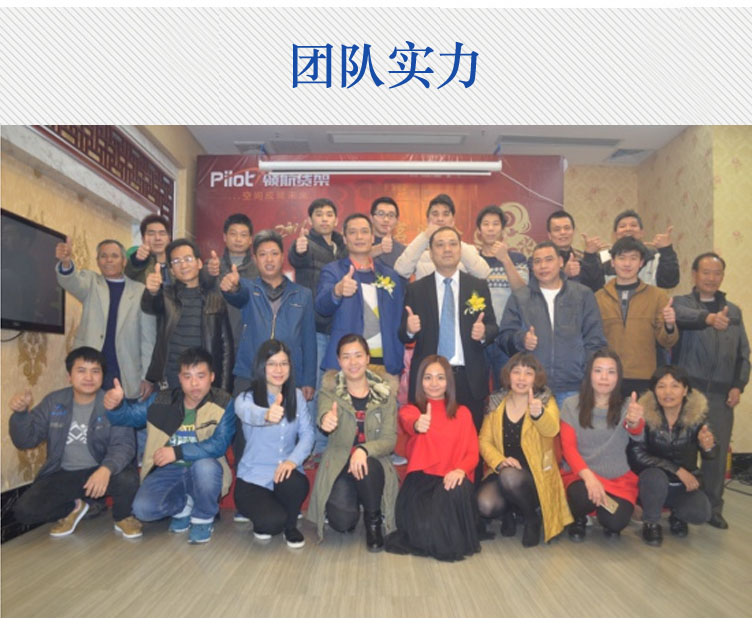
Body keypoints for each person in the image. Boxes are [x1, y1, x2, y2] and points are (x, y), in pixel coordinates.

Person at [105, 347, 235, 544]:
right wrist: (116, 406)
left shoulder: (223, 402)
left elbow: (219, 445)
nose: (194, 383)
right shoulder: (161, 400)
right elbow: (128, 417)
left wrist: (178, 451)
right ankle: (184, 505)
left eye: (201, 376)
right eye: (187, 376)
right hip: (167, 469)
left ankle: (203, 518)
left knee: (206, 467)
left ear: (212, 377)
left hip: (202, 467)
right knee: (142, 510)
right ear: (179, 378)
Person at [9, 347, 140, 539]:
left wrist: (105, 469)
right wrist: (20, 415)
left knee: (128, 477)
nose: (89, 377)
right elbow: (25, 440)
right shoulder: (54, 402)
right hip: (64, 473)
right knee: (24, 511)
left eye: (95, 371)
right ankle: (77, 507)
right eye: (81, 371)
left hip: (101, 470)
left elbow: (125, 446)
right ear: (69, 376)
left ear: (102, 376)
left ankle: (123, 517)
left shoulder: (112, 403)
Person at [399, 226, 497, 444]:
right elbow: (403, 335)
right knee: (431, 442)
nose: (447, 249)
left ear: (460, 249)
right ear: (431, 252)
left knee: (469, 440)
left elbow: (492, 326)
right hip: (430, 381)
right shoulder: (416, 289)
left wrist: (484, 333)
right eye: (440, 245)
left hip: (468, 376)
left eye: (453, 244)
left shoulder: (477, 286)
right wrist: (409, 329)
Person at [672, 253, 749, 529]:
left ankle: (713, 507)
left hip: (720, 396)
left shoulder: (734, 311)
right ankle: (681, 508)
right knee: (684, 451)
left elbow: (743, 354)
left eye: (717, 273)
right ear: (694, 274)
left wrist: (738, 385)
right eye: (706, 272)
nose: (711, 278)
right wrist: (709, 318)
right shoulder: (681, 304)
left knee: (715, 454)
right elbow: (680, 317)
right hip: (688, 394)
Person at [306, 334, 398, 551]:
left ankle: (373, 522)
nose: (353, 362)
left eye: (358, 355)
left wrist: (363, 450)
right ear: (339, 361)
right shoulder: (329, 391)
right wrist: (326, 420)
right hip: (340, 463)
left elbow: (389, 440)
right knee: (342, 523)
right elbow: (323, 414)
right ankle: (356, 500)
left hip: (373, 464)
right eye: (346, 357)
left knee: (366, 464)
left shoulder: (385, 393)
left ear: (367, 358)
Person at [384, 355, 480, 561]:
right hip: (421, 483)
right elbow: (409, 421)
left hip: (452, 479)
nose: (434, 383)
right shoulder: (411, 410)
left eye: (440, 377)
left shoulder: (463, 413)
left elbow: (473, 453)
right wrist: (418, 424)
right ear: (420, 382)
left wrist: (460, 470)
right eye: (428, 377)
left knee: (452, 501)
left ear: (448, 381)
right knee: (426, 531)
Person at [477, 352, 572, 547]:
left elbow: (552, 429)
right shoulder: (496, 401)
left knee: (510, 476)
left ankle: (531, 518)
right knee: (485, 504)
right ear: (508, 375)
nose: (521, 378)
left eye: (528, 373)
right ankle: (509, 512)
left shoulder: (545, 400)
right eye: (516, 372)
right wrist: (499, 461)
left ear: (536, 378)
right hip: (502, 470)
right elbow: (484, 441)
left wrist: (538, 414)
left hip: (536, 475)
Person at [497, 240, 606, 406]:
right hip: (532, 388)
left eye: (549, 260)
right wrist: (521, 339)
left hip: (574, 387)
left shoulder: (582, 294)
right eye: (537, 261)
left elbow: (595, 340)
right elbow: (504, 337)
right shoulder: (520, 297)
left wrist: (585, 372)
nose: (543, 266)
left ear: (560, 262)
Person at [234, 340, 314, 548]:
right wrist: (267, 414)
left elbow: (308, 435)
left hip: (283, 473)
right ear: (261, 366)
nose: (279, 369)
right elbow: (247, 412)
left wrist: (292, 461)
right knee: (270, 524)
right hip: (253, 478)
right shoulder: (245, 398)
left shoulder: (297, 396)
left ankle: (291, 525)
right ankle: (272, 517)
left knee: (297, 482)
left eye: (284, 363)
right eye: (272, 364)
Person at [559, 349, 644, 542]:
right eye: (598, 371)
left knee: (615, 523)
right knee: (581, 497)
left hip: (617, 479)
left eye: (611, 372)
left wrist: (634, 422)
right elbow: (568, 449)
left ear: (618, 377)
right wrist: (589, 478)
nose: (604, 377)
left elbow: (637, 433)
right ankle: (579, 518)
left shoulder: (628, 406)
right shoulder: (571, 405)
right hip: (581, 475)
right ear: (589, 374)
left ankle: (599, 508)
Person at [55, 237, 156, 400]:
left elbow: (148, 340)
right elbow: (73, 282)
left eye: (114, 256)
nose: (108, 260)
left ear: (124, 261)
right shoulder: (91, 282)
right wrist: (66, 264)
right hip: (91, 368)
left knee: (121, 413)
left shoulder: (140, 291)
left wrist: (147, 377)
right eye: (103, 256)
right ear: (97, 261)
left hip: (126, 370)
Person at [316, 213, 405, 395]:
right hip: (346, 366)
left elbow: (399, 318)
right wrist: (337, 291)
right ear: (345, 238)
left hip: (384, 365)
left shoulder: (390, 275)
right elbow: (321, 307)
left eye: (364, 232)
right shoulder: (333, 271)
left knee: (384, 413)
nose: (359, 237)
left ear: (372, 237)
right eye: (353, 232)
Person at [628, 366, 716, 546]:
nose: (668, 392)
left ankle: (678, 516)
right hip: (652, 484)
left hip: (683, 485)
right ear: (654, 390)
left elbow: (712, 454)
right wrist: (676, 470)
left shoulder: (697, 417)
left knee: (701, 513)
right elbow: (636, 455)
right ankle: (651, 522)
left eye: (675, 386)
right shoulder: (644, 415)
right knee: (654, 477)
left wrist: (708, 447)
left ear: (685, 390)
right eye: (661, 386)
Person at [141, 238, 233, 391]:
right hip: (170, 379)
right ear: (171, 270)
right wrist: (151, 292)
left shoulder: (215, 299)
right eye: (176, 261)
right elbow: (150, 306)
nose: (183, 265)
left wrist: (223, 389)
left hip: (202, 380)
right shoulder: (166, 295)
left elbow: (226, 349)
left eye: (188, 259)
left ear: (199, 263)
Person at [595, 236, 678, 395]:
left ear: (641, 263)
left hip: (645, 377)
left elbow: (667, 341)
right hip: (608, 377)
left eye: (633, 258)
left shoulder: (657, 296)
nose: (627, 264)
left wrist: (669, 325)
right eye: (622, 258)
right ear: (612, 262)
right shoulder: (598, 297)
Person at [287, 198, 347, 391]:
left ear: (336, 220)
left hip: (338, 327)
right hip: (315, 326)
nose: (324, 219)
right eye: (319, 215)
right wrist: (299, 250)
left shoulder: (342, 248)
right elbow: (297, 257)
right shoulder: (307, 244)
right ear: (310, 220)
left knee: (337, 385)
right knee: (314, 384)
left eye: (329, 215)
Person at [475, 204, 528, 385]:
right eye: (486, 224)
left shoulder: (517, 259)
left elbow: (522, 292)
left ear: (503, 230)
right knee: (478, 390)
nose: (490, 228)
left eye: (495, 224)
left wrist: (505, 259)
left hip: (507, 337)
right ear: (479, 231)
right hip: (479, 336)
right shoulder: (472, 261)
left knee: (507, 388)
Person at [394, 193, 490, 280]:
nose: (440, 219)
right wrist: (425, 237)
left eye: (445, 214)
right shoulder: (419, 250)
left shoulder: (467, 250)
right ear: (428, 220)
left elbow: (483, 273)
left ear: (453, 221)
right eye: (435, 214)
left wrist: (455, 242)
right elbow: (401, 270)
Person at [580, 210, 679, 291]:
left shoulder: (655, 257)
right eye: (622, 226)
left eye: (633, 225)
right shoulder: (603, 258)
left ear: (642, 232)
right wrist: (589, 255)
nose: (628, 229)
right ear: (615, 234)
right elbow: (591, 287)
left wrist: (666, 250)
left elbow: (669, 282)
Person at [204, 213, 259, 353]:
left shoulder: (259, 270)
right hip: (217, 342)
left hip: (249, 343)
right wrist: (209, 273)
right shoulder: (212, 266)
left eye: (243, 235)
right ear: (225, 237)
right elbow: (202, 284)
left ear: (250, 240)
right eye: (233, 234)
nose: (238, 239)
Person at [544, 209, 604, 287]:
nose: (563, 232)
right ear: (549, 235)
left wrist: (590, 256)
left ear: (573, 231)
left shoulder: (583, 257)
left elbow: (598, 286)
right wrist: (564, 274)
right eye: (557, 229)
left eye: (567, 228)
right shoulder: (540, 259)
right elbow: (538, 286)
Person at [125, 214, 172, 285]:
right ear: (143, 239)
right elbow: (128, 273)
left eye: (162, 233)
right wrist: (137, 261)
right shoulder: (138, 264)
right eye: (151, 234)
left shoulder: (177, 263)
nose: (157, 238)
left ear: (169, 238)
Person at [369, 196, 406, 268]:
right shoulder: (360, 245)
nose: (386, 219)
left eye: (391, 215)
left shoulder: (403, 251)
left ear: (397, 220)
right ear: (371, 218)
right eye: (381, 214)